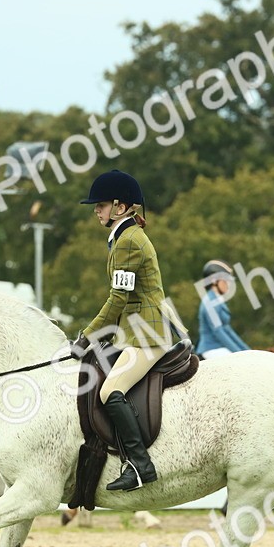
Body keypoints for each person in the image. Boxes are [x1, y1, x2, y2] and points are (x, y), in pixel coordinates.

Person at [70, 169, 181, 492]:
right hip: (134, 331)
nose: (96, 210)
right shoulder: (124, 237)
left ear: (120, 207)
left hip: (147, 335)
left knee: (109, 392)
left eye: (101, 205)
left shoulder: (129, 241)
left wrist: (87, 335)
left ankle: (139, 465)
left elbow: (117, 298)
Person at [195, 260, 249, 359]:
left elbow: (228, 330)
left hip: (221, 348)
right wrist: (238, 353)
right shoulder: (209, 302)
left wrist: (247, 350)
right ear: (214, 281)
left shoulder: (218, 300)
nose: (228, 284)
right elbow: (218, 331)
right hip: (211, 349)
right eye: (225, 280)